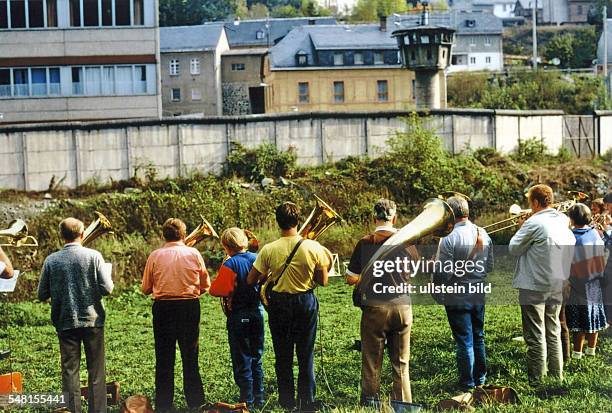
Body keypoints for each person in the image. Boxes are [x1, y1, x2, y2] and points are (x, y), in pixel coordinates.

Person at [247, 202, 330, 412]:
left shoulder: (268, 249)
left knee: (283, 354)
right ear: (298, 220)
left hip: (279, 305)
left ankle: (287, 402)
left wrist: (269, 275)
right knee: (306, 354)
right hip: (305, 302)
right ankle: (306, 401)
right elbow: (323, 281)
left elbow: (250, 280)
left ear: (277, 222)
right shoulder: (313, 247)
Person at [37, 218, 113, 413]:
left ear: (61, 236)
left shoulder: (51, 260)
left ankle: (72, 411)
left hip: (65, 320)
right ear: (81, 234)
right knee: (96, 371)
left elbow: (41, 294)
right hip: (93, 320)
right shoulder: (94, 256)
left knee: (70, 371)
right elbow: (107, 289)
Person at [345, 199, 414, 405]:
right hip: (402, 304)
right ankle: (403, 406)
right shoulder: (407, 241)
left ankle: (370, 404)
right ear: (394, 218)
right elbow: (414, 271)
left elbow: (350, 278)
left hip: (375, 308)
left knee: (372, 362)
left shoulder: (366, 242)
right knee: (401, 363)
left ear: (374, 218)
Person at [142, 218, 210, 412]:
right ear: (183, 234)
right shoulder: (194, 253)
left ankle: (164, 404)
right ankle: (195, 402)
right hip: (189, 307)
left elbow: (146, 288)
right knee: (191, 355)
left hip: (163, 308)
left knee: (164, 357)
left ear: (164, 235)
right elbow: (206, 286)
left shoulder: (155, 255)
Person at [509, 184, 575, 383]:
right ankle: (557, 376)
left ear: (536, 202)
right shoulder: (563, 219)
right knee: (553, 329)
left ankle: (537, 379)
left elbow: (513, 248)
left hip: (534, 284)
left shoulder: (533, 223)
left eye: (530, 202)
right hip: (557, 281)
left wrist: (521, 226)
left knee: (535, 334)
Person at [435, 196, 493, 391]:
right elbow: (490, 265)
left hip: (457, 293)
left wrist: (437, 290)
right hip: (478, 290)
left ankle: (467, 383)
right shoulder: (482, 232)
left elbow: (442, 272)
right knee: (479, 336)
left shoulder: (448, 238)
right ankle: (481, 380)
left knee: (464, 340)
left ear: (450, 214)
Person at [209, 227, 264, 409]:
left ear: (226, 246)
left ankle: (246, 401)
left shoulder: (230, 264)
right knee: (257, 356)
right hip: (257, 312)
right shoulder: (257, 259)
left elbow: (216, 290)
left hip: (239, 315)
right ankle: (260, 398)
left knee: (242, 359)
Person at [564, 203, 608, 359]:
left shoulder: (572, 236)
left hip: (578, 283)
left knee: (578, 320)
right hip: (595, 280)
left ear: (571, 219)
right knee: (593, 313)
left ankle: (577, 354)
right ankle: (591, 349)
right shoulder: (595, 233)